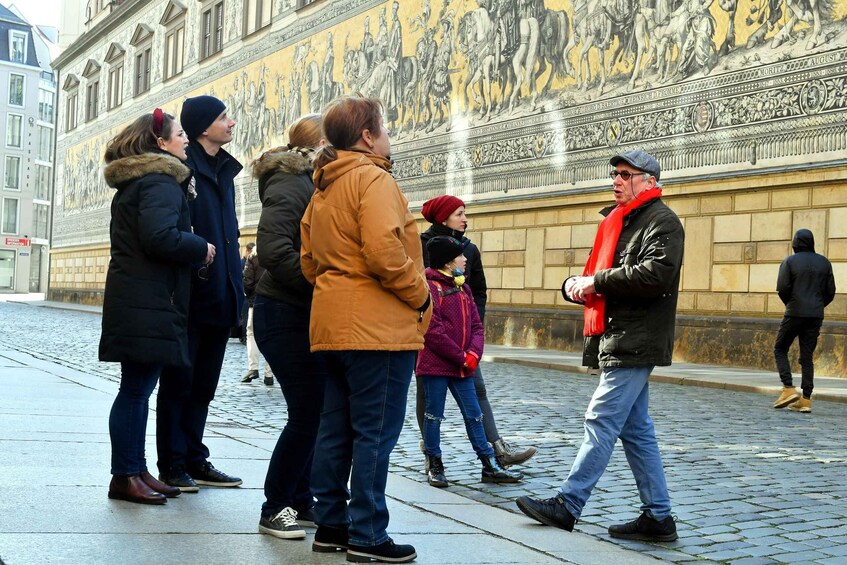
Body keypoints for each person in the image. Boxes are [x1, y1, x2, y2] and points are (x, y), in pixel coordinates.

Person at [515, 150, 684, 543]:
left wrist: (597, 282)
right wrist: (578, 285)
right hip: (619, 334)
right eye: (615, 174)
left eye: (627, 174)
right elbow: (600, 275)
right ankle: (658, 517)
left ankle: (568, 504)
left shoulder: (663, 222)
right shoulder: (617, 222)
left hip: (636, 339)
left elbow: (655, 275)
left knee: (600, 418)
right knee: (636, 429)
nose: (617, 179)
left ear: (650, 181)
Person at [301, 95, 431, 564]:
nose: (388, 136)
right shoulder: (372, 179)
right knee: (374, 433)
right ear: (367, 136)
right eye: (385, 127)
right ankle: (369, 534)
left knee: (335, 428)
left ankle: (331, 524)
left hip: (332, 323)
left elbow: (309, 262)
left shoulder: (322, 187)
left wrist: (340, 289)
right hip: (378, 328)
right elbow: (383, 251)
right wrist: (421, 295)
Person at [100, 109, 213, 505]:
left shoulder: (140, 181)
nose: (186, 140)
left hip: (138, 297)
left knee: (137, 389)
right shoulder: (161, 181)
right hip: (149, 300)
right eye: (180, 134)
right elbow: (160, 237)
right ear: (161, 144)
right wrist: (201, 246)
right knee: (135, 390)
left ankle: (135, 468)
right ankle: (125, 474)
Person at [156, 95, 244, 492]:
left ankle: (195, 457)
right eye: (224, 117)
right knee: (179, 384)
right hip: (190, 296)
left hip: (221, 296)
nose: (231, 123)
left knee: (204, 386)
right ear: (203, 127)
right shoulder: (182, 171)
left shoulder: (224, 169)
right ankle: (172, 464)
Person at [250, 114, 328, 539]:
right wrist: (321, 287)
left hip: (300, 311)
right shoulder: (289, 182)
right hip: (282, 312)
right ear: (317, 143)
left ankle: (301, 501)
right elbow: (274, 250)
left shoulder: (311, 182)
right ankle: (275, 507)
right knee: (305, 413)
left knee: (314, 412)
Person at [418, 194, 537, 469]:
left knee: (477, 389)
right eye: (459, 213)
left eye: (464, 213)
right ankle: (431, 456)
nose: (465, 219)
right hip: (430, 338)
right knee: (428, 397)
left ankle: (497, 451)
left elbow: (479, 291)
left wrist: (474, 329)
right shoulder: (421, 246)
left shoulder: (469, 249)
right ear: (443, 217)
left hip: (463, 341)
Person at [417, 236, 522, 488]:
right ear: (447, 262)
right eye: (460, 256)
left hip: (463, 365)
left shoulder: (462, 287)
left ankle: (489, 465)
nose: (466, 259)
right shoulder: (431, 287)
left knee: (474, 415)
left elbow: (477, 325)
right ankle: (435, 464)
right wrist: (461, 356)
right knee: (433, 416)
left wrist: (474, 354)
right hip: (436, 365)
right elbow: (433, 330)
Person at [772, 229, 836, 413]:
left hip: (795, 312)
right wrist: (817, 306)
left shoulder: (790, 261)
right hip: (815, 314)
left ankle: (788, 388)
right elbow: (830, 291)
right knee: (807, 357)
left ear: (796, 243)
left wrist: (792, 304)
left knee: (780, 348)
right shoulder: (824, 262)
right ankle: (806, 400)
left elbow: (783, 288)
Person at [242, 244, 274, 386]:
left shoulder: (253, 257)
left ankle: (253, 368)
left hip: (255, 301)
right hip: (274, 300)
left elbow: (247, 282)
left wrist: (251, 297)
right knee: (272, 335)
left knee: (252, 334)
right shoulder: (276, 254)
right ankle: (269, 373)